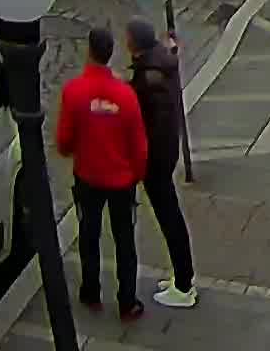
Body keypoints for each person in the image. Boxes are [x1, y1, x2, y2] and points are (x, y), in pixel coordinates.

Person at [56, 24, 148, 322]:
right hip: (121, 181)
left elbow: (63, 142)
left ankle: (91, 292)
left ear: (88, 51)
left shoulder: (74, 92)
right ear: (111, 54)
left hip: (88, 177)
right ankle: (127, 301)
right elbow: (139, 146)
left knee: (89, 235)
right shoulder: (125, 95)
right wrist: (135, 174)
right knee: (125, 241)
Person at [125, 21, 198, 308]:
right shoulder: (160, 62)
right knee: (171, 216)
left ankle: (183, 285)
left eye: (127, 39)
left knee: (169, 217)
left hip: (157, 158)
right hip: (166, 152)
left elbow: (146, 115)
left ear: (135, 45)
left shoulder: (149, 77)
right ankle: (182, 277)